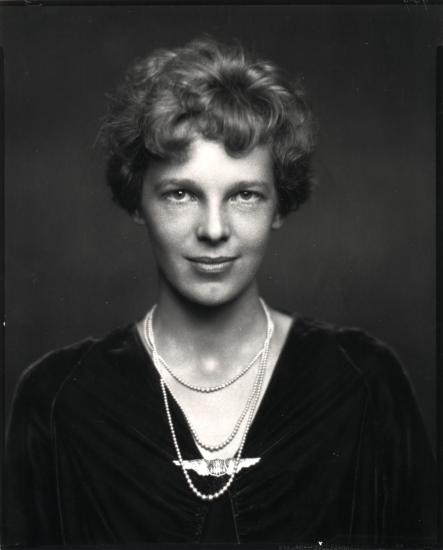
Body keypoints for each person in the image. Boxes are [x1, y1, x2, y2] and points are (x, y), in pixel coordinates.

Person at [4, 37, 437, 547]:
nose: (214, 229)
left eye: (245, 195)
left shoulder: (365, 384)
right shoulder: (59, 399)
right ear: (138, 199)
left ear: (279, 206)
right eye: (181, 193)